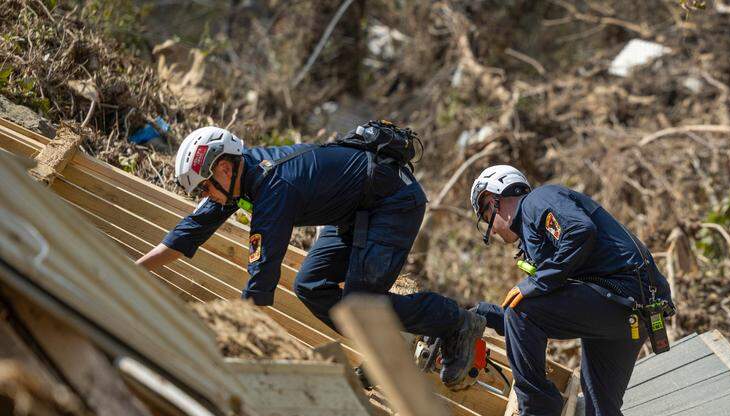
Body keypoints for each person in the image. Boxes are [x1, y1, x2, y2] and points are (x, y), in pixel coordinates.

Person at [137, 125, 485, 387]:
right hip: (354, 211)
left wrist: (229, 346)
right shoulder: (242, 177)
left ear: (224, 169)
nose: (207, 196)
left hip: (393, 204)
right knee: (310, 284)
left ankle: (456, 322)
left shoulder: (273, 190)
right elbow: (189, 231)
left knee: (360, 306)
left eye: (205, 187)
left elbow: (259, 287)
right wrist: (133, 271)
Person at [465, 165, 673, 416]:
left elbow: (580, 231)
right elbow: (542, 318)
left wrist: (536, 282)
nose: (492, 232)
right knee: (601, 403)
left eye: (486, 216)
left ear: (493, 200)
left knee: (524, 308)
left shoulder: (537, 201)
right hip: (631, 313)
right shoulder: (538, 233)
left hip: (622, 297)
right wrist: (484, 315)